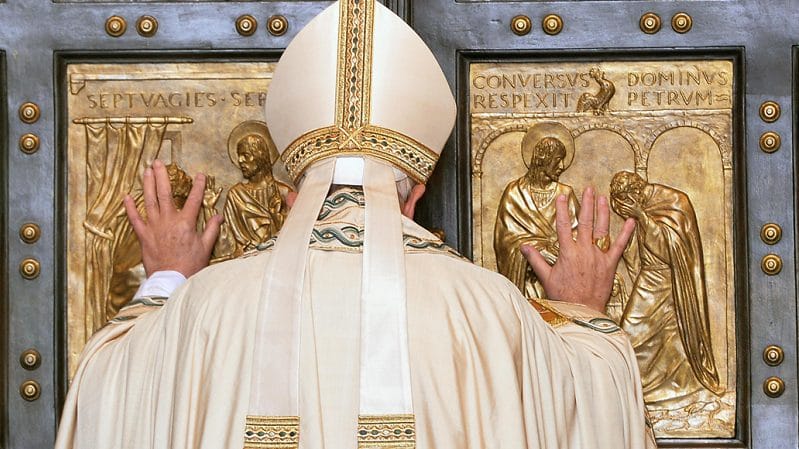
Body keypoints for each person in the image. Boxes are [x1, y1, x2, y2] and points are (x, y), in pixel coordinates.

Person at [56, 2, 655, 448]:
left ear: (289, 197)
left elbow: (107, 396)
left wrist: (167, 280)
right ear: (416, 194)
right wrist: (580, 311)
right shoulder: (486, 304)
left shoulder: (205, 307)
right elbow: (591, 405)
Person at [610, 170, 722, 407]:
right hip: (648, 279)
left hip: (669, 282)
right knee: (630, 335)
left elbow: (670, 250)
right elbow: (635, 251)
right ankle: (636, 392)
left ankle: (681, 390)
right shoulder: (642, 204)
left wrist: (641, 216)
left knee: (665, 336)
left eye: (625, 204)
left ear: (635, 193)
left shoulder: (673, 202)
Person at [494, 122, 579, 299]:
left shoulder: (565, 193)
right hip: (526, 285)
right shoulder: (515, 192)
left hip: (562, 281)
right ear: (543, 158)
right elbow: (505, 242)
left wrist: (559, 250)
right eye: (557, 160)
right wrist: (537, 252)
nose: (562, 166)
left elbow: (580, 234)